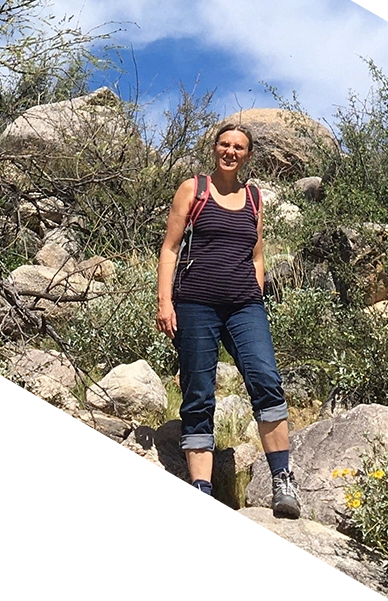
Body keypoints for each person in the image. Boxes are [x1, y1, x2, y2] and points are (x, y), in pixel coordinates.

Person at [156, 123, 301, 518]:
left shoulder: (253, 197)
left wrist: (255, 293)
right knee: (199, 393)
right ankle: (202, 489)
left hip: (244, 308)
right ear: (214, 148)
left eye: (239, 147)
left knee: (266, 380)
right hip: (195, 305)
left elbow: (256, 253)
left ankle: (282, 480)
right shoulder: (194, 189)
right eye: (225, 144)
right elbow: (169, 248)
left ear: (248, 155)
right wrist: (165, 302)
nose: (230, 152)